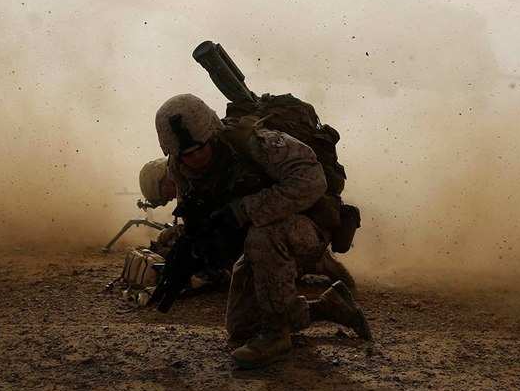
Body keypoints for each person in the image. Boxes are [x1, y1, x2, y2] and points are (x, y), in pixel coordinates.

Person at [155, 94, 371, 369]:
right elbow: (198, 217)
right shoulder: (180, 168)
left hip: (307, 227)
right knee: (241, 327)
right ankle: (331, 306)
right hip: (262, 240)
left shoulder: (258, 143)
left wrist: (243, 210)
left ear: (212, 133)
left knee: (263, 234)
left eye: (200, 149)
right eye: (187, 154)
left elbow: (312, 181)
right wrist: (190, 252)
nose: (195, 158)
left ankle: (276, 334)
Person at [139, 157, 356, 289]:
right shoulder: (189, 179)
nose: (168, 199)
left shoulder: (194, 177)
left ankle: (319, 263)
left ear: (163, 177)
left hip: (269, 219)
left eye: (164, 193)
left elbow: (216, 216)